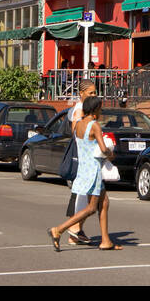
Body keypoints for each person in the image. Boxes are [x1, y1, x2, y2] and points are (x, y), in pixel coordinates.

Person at [48, 95, 120, 251]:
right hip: (94, 170)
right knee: (91, 208)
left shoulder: (79, 124)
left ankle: (106, 240)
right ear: (95, 110)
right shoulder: (94, 125)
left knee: (104, 202)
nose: (101, 111)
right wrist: (111, 153)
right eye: (100, 108)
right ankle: (58, 229)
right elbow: (102, 148)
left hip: (83, 169)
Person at [62, 81, 99, 246]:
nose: (93, 96)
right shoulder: (80, 109)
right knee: (83, 196)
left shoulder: (89, 110)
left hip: (88, 158)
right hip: (82, 158)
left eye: (95, 93)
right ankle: (72, 229)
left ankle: (76, 232)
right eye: (90, 93)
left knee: (87, 196)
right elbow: (76, 131)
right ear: (81, 94)